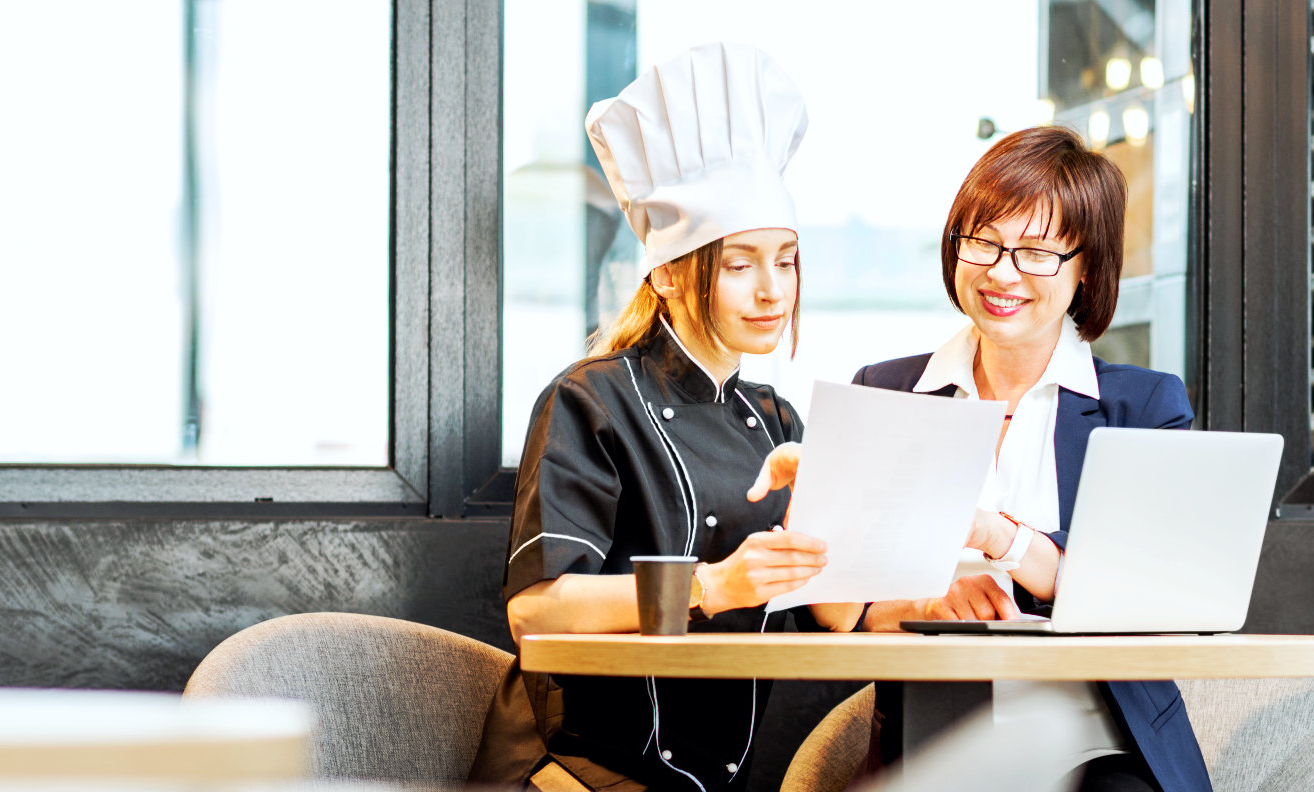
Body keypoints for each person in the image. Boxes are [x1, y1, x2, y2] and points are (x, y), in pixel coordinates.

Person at [752, 126, 1210, 792]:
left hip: (1103, 749)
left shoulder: (1143, 406)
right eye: (984, 242)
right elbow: (838, 615)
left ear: (1087, 267)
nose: (1001, 272)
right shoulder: (887, 388)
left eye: (1035, 253)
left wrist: (997, 535)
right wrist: (898, 578)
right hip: (931, 743)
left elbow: (1141, 595)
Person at [501, 43, 862, 792]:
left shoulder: (777, 420)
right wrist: (713, 585)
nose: (773, 291)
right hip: (578, 766)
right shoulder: (590, 398)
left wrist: (859, 494)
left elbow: (837, 615)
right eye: (738, 264)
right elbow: (538, 611)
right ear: (666, 273)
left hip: (719, 776)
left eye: (787, 260)